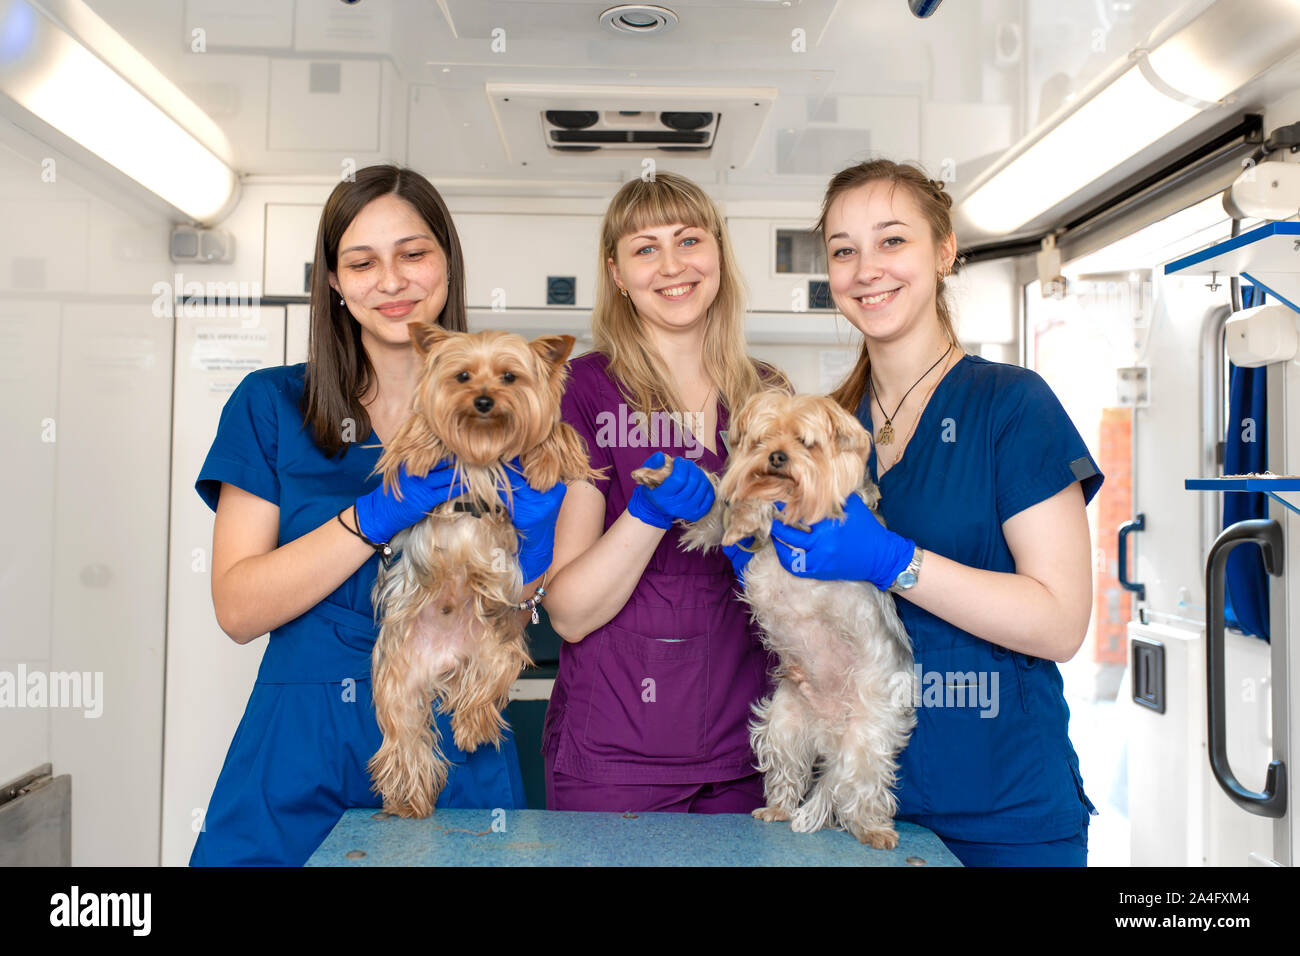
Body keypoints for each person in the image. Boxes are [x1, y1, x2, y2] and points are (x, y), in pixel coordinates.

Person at [190, 165, 562, 866]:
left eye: (414, 254)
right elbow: (238, 609)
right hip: (301, 743)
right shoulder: (272, 405)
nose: (391, 282)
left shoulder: (512, 407)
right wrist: (373, 516)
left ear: (447, 260)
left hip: (456, 733)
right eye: (361, 263)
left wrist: (531, 567)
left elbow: (518, 613)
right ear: (333, 281)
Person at [752, 159, 1103, 866]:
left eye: (892, 241)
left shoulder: (1012, 406)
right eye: (844, 250)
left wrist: (896, 562)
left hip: (1004, 808)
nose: (865, 269)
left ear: (944, 252)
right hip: (855, 811)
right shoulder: (824, 432)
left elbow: (1060, 622)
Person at [542, 171, 789, 813]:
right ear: (617, 273)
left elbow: (798, 576)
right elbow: (567, 612)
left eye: (689, 240)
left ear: (718, 254)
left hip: (754, 749)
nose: (672, 265)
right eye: (645, 248)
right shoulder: (580, 392)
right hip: (616, 759)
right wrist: (647, 513)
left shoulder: (769, 396)